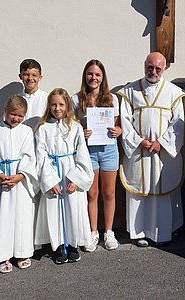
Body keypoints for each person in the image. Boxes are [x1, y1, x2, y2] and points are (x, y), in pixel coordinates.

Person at [117, 52, 185, 247]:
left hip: (161, 153)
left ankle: (162, 233)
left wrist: (161, 143)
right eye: (150, 67)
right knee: (139, 191)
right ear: (144, 65)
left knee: (161, 191)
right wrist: (138, 141)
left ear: (164, 68)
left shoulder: (173, 92)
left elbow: (177, 124)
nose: (153, 71)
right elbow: (125, 121)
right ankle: (139, 233)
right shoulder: (130, 91)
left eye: (158, 68)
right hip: (139, 152)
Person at [0, 95, 39, 273]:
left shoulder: (26, 132)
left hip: (20, 182)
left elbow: (30, 156)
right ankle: (3, 256)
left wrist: (20, 176)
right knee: (3, 218)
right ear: (6, 111)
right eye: (13, 114)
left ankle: (22, 252)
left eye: (20, 116)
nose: (16, 119)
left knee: (22, 217)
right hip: (2, 182)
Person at [34, 88, 95, 264]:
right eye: (53, 104)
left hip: (71, 173)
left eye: (61, 104)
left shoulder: (75, 127)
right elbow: (41, 156)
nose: (57, 108)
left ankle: (73, 244)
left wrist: (77, 179)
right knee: (54, 210)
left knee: (74, 209)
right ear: (48, 106)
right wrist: (50, 180)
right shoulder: (42, 128)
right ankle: (59, 245)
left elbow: (82, 154)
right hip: (53, 173)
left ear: (67, 105)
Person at [72, 59, 121, 251]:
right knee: (92, 193)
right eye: (90, 74)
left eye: (97, 74)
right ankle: (92, 232)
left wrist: (118, 130)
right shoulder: (76, 99)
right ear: (85, 76)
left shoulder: (112, 98)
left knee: (109, 193)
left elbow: (117, 125)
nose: (94, 78)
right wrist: (81, 132)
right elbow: (72, 126)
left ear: (103, 77)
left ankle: (109, 232)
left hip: (109, 149)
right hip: (88, 151)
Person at [18, 59, 49, 129]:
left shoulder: (47, 99)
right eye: (26, 74)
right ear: (20, 76)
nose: (30, 78)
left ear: (40, 77)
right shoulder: (16, 99)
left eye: (34, 75)